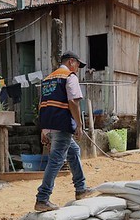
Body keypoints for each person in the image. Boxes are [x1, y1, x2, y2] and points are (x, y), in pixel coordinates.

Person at [34, 51, 97, 211]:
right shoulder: (69, 77)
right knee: (56, 160)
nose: (78, 69)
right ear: (71, 62)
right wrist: (79, 124)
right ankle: (42, 198)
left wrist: (44, 130)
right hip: (62, 124)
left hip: (49, 124)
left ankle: (81, 188)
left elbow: (43, 105)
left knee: (73, 151)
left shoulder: (48, 79)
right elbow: (73, 102)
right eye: (77, 65)